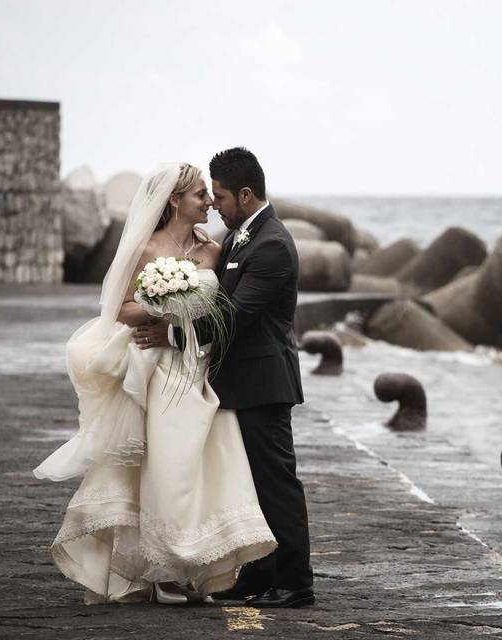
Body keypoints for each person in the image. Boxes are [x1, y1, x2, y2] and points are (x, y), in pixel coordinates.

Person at [34, 163, 277, 604]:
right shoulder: (145, 248)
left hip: (199, 366)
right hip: (156, 366)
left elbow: (222, 308)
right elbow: (120, 309)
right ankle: (160, 571)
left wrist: (184, 319)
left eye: (211, 194)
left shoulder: (212, 250)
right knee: (166, 464)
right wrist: (161, 310)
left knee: (200, 467)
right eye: (201, 195)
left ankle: (197, 569)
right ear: (174, 200)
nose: (209, 202)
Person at [134, 147, 314, 609]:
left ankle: (296, 582)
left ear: (246, 194)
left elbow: (235, 316)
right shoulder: (239, 238)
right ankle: (259, 574)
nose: (215, 204)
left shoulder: (271, 243)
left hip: (264, 384)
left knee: (277, 484)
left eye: (221, 196)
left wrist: (171, 333)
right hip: (238, 384)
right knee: (251, 485)